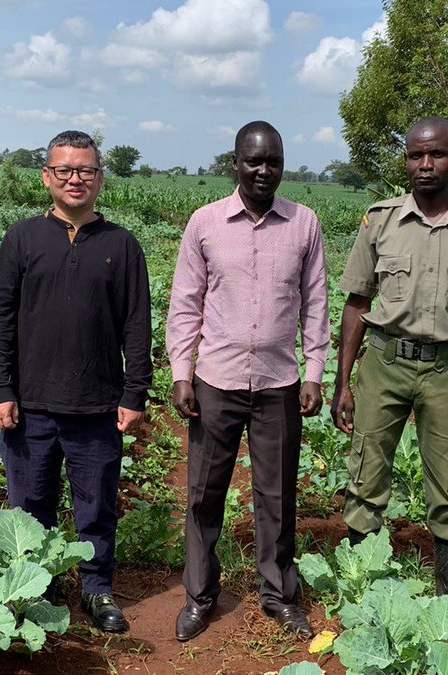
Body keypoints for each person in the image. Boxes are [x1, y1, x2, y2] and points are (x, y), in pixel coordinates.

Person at [331, 117, 448, 596]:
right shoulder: (381, 220)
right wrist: (342, 381)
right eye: (416, 155)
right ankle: (365, 592)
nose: (425, 165)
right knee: (365, 476)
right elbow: (357, 302)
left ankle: (447, 599)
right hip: (384, 363)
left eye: (436, 155)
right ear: (407, 160)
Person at [167, 121, 329, 642]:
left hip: (280, 382)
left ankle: (279, 595)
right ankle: (199, 596)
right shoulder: (206, 222)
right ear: (234, 163)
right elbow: (186, 302)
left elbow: (316, 303)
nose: (264, 171)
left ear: (283, 165)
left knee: (277, 496)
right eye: (254, 161)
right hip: (217, 380)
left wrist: (315, 371)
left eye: (273, 162)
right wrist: (181, 372)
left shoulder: (304, 224)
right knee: (204, 492)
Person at [0, 130, 151, 634]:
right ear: (47, 177)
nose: (75, 179)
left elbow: (136, 325)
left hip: (97, 406)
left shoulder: (122, 245)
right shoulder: (21, 239)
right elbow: (0, 320)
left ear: (100, 178)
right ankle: (41, 585)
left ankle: (97, 588)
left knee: (96, 504)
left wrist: (134, 393)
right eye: (64, 170)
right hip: (30, 405)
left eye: (85, 170)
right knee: (30, 504)